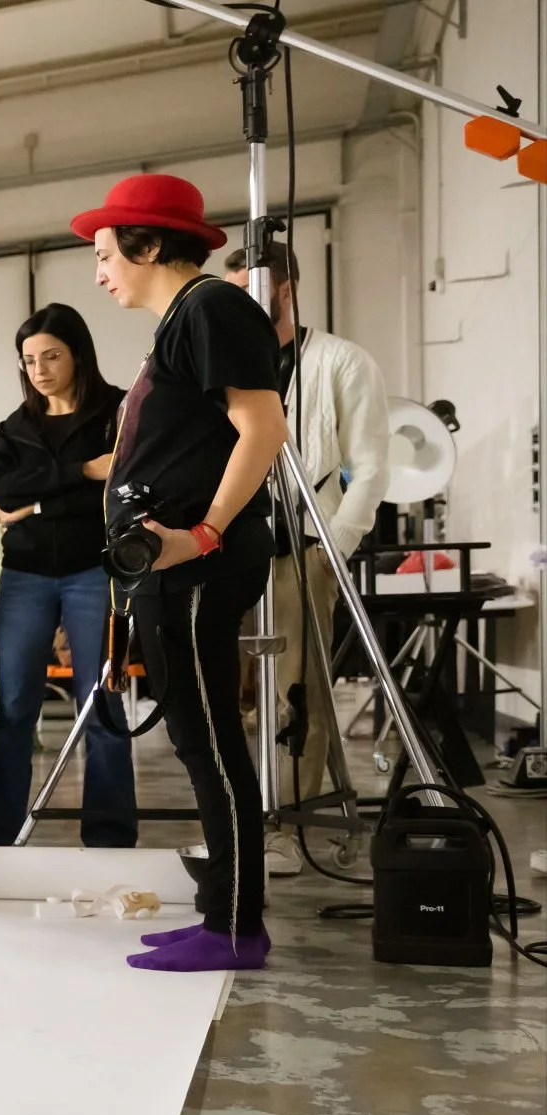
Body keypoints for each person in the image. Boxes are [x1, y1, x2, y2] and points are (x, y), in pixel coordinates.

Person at [76, 174, 288, 972]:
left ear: (150, 243)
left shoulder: (208, 308)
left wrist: (200, 535)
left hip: (196, 568)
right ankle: (221, 913)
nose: (98, 271)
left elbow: (262, 428)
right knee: (197, 739)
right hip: (168, 572)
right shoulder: (185, 321)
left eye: (104, 253)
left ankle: (235, 926)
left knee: (210, 741)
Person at [222, 240, 391, 876]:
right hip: (229, 547)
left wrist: (331, 547)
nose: (237, 307)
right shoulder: (228, 369)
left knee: (297, 691)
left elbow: (371, 466)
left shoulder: (341, 362)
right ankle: (238, 816)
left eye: (248, 293)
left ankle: (289, 826)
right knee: (224, 690)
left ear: (286, 290)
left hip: (303, 548)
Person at [0, 303, 139, 848]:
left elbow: (123, 487)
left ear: (78, 354)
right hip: (25, 576)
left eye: (51, 356)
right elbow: (3, 491)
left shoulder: (119, 411)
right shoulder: (16, 426)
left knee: (101, 702)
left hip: (98, 570)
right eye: (29, 360)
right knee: (14, 706)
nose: (39, 370)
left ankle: (110, 835)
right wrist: (82, 472)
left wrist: (40, 504)